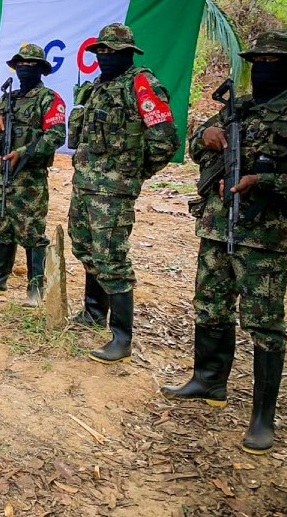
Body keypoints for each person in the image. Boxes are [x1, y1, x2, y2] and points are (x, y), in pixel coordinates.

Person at [161, 30, 287, 454]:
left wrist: (265, 181)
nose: (264, 68)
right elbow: (196, 146)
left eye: (274, 62)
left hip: (263, 235)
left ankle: (262, 417)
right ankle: (208, 381)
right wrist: (205, 138)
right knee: (210, 305)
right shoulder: (239, 106)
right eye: (259, 61)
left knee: (263, 323)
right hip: (217, 227)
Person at [66, 23, 179, 363]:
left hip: (113, 191)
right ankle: (93, 312)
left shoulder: (141, 84)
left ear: (128, 53)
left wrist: (133, 173)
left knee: (111, 258)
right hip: (85, 184)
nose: (105, 56)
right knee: (84, 246)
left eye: (112, 51)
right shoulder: (97, 86)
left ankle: (121, 337)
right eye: (100, 51)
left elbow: (165, 140)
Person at [0, 44, 67, 307]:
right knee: (2, 225)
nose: (25, 68)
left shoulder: (49, 99)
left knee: (31, 231)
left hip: (29, 177)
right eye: (21, 64)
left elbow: (56, 136)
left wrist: (22, 153)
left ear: (41, 69)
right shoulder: (7, 98)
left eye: (32, 65)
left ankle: (36, 289)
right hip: (1, 173)